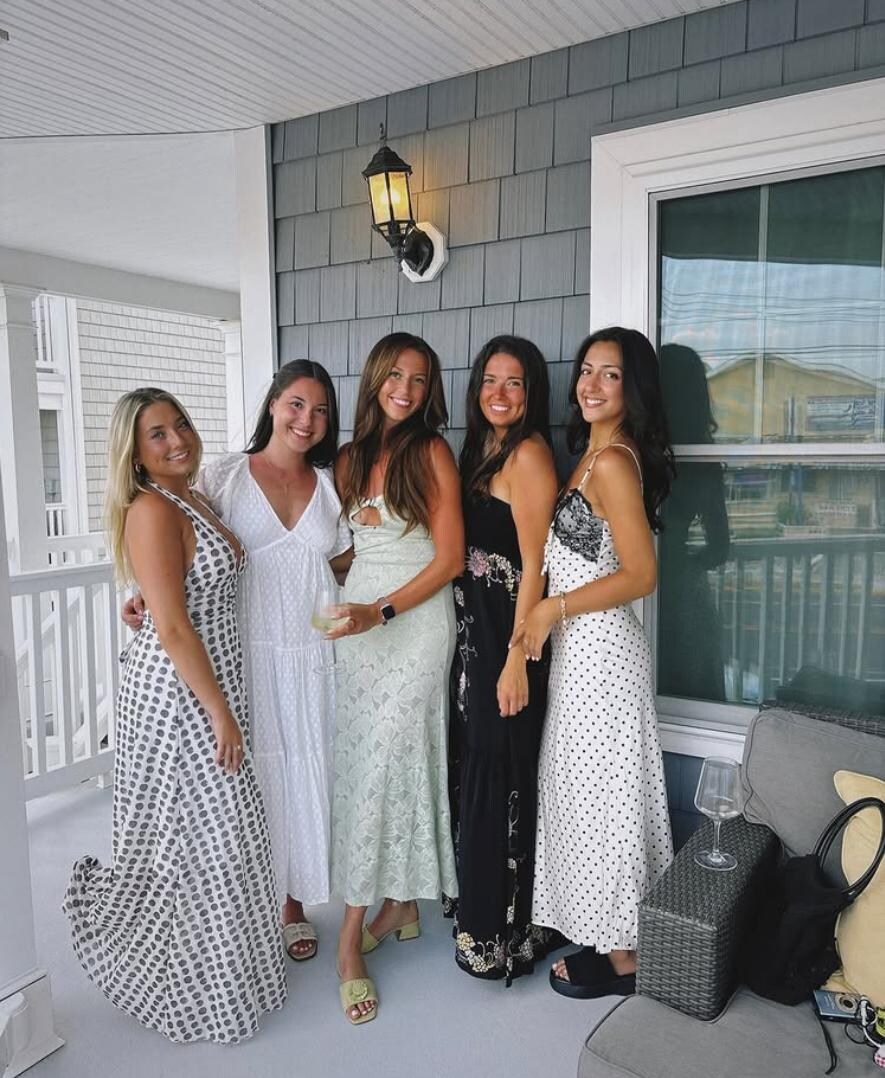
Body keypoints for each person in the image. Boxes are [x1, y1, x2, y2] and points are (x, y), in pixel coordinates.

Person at [64, 388, 286, 1043]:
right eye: (156, 434)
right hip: (179, 697)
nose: (176, 439)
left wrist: (142, 597)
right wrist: (220, 713)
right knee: (199, 838)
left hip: (209, 682)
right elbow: (173, 626)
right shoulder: (150, 509)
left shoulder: (193, 496)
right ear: (134, 453)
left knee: (219, 836)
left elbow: (174, 590)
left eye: (179, 424)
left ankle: (225, 976)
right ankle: (191, 990)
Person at [123, 361, 353, 962]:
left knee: (307, 775)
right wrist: (146, 592)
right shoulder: (223, 475)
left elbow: (341, 561)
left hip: (311, 654)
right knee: (253, 784)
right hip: (243, 653)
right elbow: (184, 542)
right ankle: (258, 907)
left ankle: (295, 903)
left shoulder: (330, 484)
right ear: (272, 403)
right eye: (296, 404)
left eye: (320, 410)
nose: (306, 419)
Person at [515, 327, 676, 999]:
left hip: (603, 656)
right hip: (581, 656)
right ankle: (608, 934)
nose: (590, 384)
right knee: (585, 796)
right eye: (586, 370)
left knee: (606, 803)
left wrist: (551, 609)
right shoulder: (591, 454)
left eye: (609, 374)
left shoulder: (613, 463)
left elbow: (641, 574)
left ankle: (624, 957)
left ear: (631, 388)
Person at [328, 332, 463, 1025]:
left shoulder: (431, 451)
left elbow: (450, 559)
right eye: (396, 375)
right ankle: (401, 904)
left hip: (411, 624)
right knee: (365, 767)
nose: (406, 390)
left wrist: (379, 609)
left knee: (386, 765)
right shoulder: (348, 459)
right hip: (358, 631)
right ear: (375, 377)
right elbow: (349, 550)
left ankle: (348, 939)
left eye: (419, 379)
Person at [446, 335, 559, 984]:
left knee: (502, 775)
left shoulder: (530, 455)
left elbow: (537, 565)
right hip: (474, 637)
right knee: (479, 769)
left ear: (531, 392)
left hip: (509, 642)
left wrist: (517, 659)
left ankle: (502, 934)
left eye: (513, 382)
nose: (499, 392)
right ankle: (478, 913)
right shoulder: (479, 452)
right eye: (490, 379)